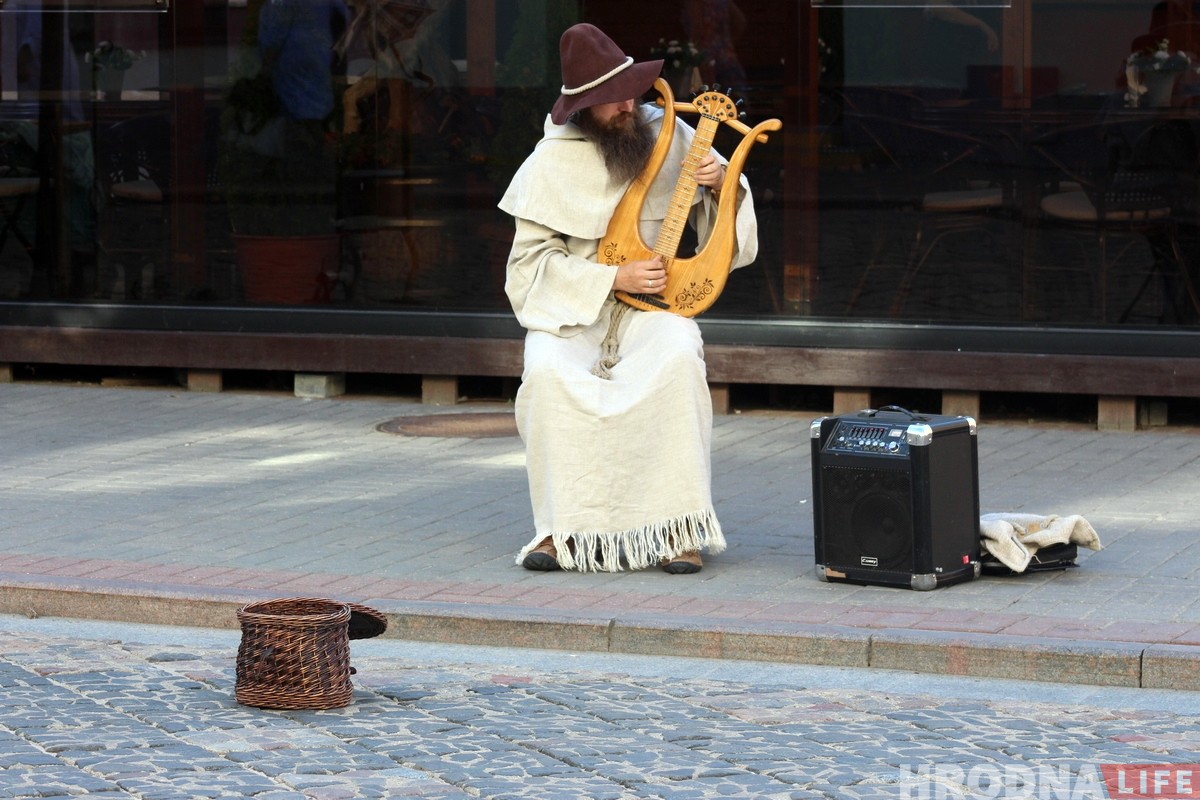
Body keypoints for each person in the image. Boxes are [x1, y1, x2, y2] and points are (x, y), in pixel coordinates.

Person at [497, 23, 759, 575]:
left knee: (677, 354)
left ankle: (675, 530)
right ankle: (560, 531)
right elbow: (527, 270)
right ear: (580, 108)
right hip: (575, 313)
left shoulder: (672, 136)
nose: (624, 106)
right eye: (607, 100)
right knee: (545, 372)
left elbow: (724, 232)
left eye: (629, 91)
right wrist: (610, 278)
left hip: (655, 308)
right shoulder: (548, 162)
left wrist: (719, 182)